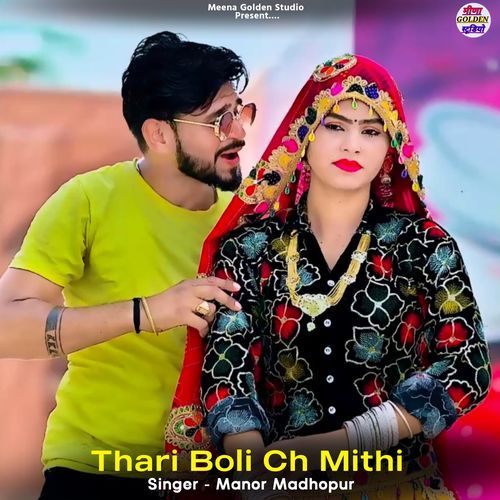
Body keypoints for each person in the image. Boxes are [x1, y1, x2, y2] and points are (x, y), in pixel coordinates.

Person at [165, 55, 491, 498]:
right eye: (335, 126)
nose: (352, 145)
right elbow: (229, 371)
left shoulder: (425, 246)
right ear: (305, 133)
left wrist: (344, 444)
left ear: (390, 145)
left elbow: (466, 366)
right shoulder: (248, 249)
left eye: (371, 131)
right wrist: (255, 470)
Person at [0, 31, 257, 499]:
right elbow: (6, 325)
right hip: (94, 471)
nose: (238, 132)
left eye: (239, 112)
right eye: (218, 120)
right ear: (159, 134)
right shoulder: (88, 200)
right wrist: (147, 312)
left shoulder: (249, 224)